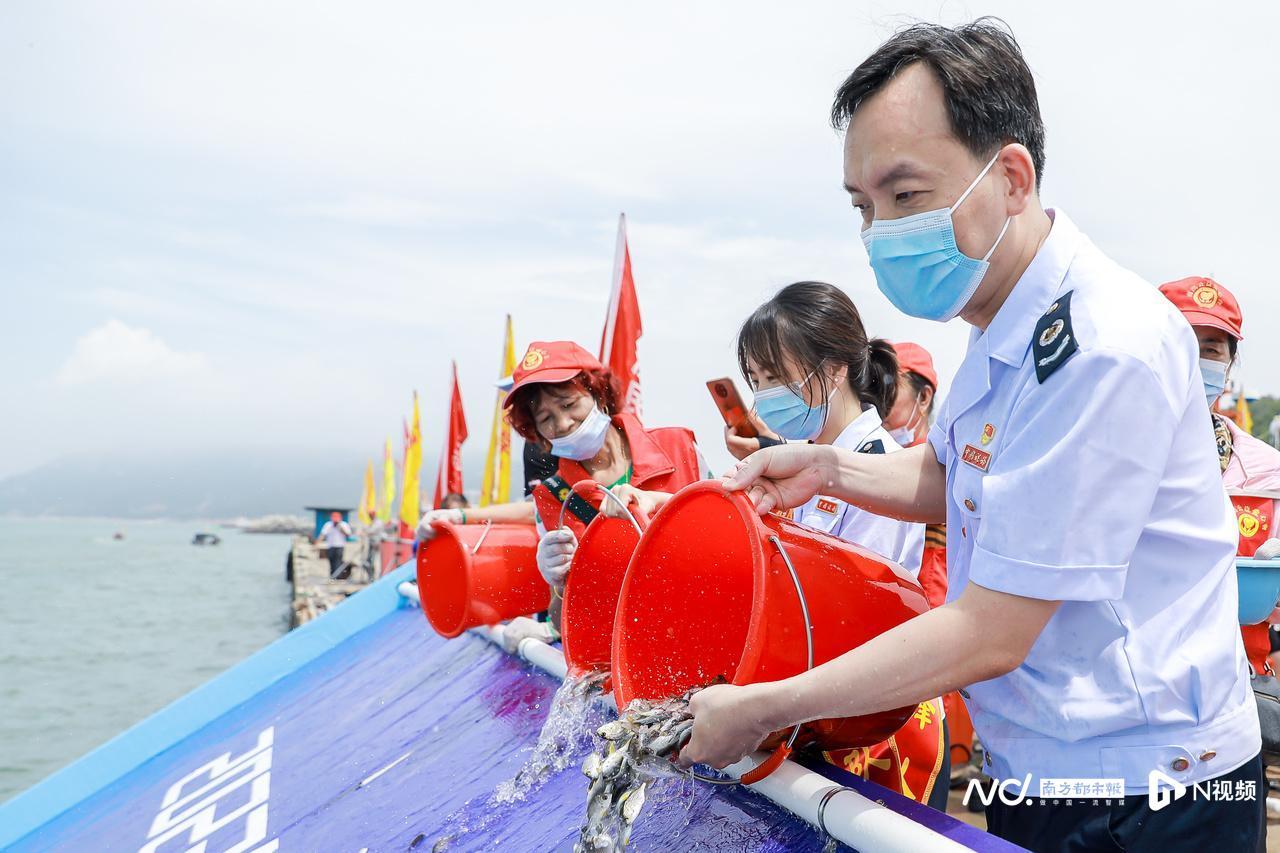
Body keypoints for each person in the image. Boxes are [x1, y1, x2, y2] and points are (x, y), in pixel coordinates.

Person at [680, 21, 1263, 851]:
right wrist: (826, 469)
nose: (878, 232)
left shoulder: (1100, 345)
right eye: (863, 207)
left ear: (1012, 176)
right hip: (1043, 761)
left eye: (906, 195)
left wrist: (766, 705)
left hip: (1147, 790)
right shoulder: (999, 321)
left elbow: (991, 627)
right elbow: (957, 481)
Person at [738, 281, 945, 808]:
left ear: (833, 369)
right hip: (816, 708)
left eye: (777, 377)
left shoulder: (879, 467)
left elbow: (857, 610)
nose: (764, 397)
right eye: (756, 380)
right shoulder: (799, 463)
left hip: (876, 724)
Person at [499, 340, 704, 651]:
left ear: (599, 395)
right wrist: (557, 581)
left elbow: (733, 527)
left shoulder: (679, 445)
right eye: (546, 419)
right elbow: (568, 618)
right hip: (640, 649)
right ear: (537, 434)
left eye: (569, 405)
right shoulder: (553, 497)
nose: (563, 424)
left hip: (714, 620)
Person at [1160, 276, 1280, 675]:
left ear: (1228, 366)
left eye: (1211, 350)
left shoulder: (1267, 471)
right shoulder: (1104, 454)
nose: (1196, 361)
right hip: (1133, 691)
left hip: (1244, 688)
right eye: (1184, 344)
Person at [316, 511, 353, 579]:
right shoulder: (328, 525)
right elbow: (323, 534)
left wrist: (340, 528)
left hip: (340, 546)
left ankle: (337, 576)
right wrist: (317, 542)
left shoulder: (344, 525)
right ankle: (332, 576)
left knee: (338, 561)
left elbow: (348, 535)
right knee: (331, 561)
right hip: (330, 546)